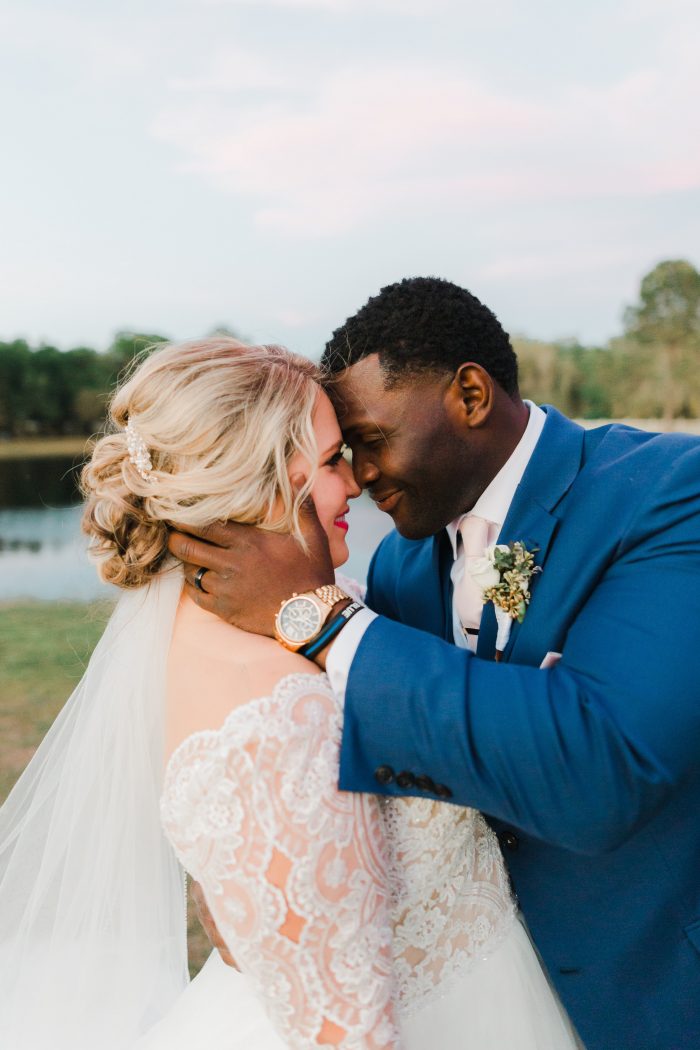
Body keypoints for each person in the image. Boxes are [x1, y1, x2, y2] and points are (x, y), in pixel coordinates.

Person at [0, 335, 578, 1050]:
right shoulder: (275, 709)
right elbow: (345, 1033)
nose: (355, 482)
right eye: (335, 458)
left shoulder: (289, 619)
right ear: (262, 474)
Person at [171, 278, 700, 1050]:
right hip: (477, 1004)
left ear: (472, 395)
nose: (359, 475)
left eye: (373, 439)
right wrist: (246, 869)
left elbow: (604, 765)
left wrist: (325, 620)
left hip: (655, 996)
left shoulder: (667, 495)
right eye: (342, 454)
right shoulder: (401, 566)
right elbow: (322, 759)